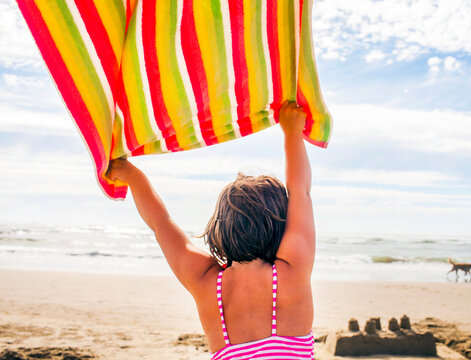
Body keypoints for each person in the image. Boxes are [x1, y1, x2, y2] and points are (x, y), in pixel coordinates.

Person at [107, 100, 315, 359]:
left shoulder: (207, 283)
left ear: (221, 227)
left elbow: (161, 224)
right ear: (282, 225)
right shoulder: (290, 274)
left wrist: (132, 175)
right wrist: (292, 133)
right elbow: (300, 192)